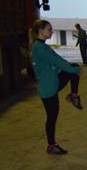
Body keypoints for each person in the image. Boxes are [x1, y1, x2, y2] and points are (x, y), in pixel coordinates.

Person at [31, 20, 83, 155]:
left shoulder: (42, 46)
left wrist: (72, 68)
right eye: (49, 29)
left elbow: (58, 59)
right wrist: (74, 70)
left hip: (53, 82)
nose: (52, 31)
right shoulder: (39, 48)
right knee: (52, 117)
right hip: (48, 88)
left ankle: (74, 95)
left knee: (73, 69)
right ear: (41, 31)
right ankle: (51, 145)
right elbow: (56, 61)